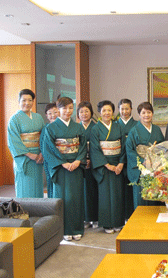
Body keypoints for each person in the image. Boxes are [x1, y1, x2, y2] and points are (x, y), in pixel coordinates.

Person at [43, 97, 87, 241]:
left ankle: (77, 228)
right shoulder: (50, 128)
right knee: (63, 198)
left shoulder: (78, 127)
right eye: (64, 108)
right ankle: (64, 230)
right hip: (61, 168)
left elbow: (82, 146)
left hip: (75, 166)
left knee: (76, 197)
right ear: (58, 109)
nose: (67, 111)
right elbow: (48, 148)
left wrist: (78, 160)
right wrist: (62, 162)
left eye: (70, 108)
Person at [90, 100, 125, 234]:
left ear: (113, 112)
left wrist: (121, 163)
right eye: (104, 110)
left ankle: (118, 222)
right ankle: (107, 224)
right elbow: (95, 149)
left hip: (118, 164)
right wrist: (107, 164)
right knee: (105, 195)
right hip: (104, 166)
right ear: (99, 113)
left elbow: (123, 145)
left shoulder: (118, 127)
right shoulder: (95, 129)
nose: (107, 113)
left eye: (109, 110)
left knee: (117, 194)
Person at [125, 101, 164, 209]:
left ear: (152, 113)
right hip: (140, 168)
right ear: (139, 114)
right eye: (143, 113)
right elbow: (130, 150)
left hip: (154, 166)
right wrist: (142, 162)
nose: (146, 115)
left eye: (149, 112)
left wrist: (156, 161)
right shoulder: (134, 130)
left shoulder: (156, 129)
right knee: (141, 197)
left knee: (155, 194)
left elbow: (162, 147)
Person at [7, 89, 45, 198]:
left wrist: (41, 153)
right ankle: (24, 211)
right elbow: (13, 141)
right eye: (24, 100)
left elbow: (43, 136)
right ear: (19, 101)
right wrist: (29, 154)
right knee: (25, 186)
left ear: (33, 101)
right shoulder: (14, 119)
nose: (27, 103)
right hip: (24, 158)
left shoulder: (38, 117)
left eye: (30, 100)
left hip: (38, 157)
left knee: (37, 185)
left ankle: (38, 211)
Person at [77, 101, 99, 229]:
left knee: (93, 190)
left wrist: (91, 159)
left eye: (86, 111)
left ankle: (94, 217)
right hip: (79, 163)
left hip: (93, 162)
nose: (84, 114)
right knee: (82, 191)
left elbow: (98, 147)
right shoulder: (76, 127)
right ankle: (85, 218)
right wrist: (82, 160)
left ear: (91, 112)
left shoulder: (95, 127)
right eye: (81, 112)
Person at [117, 98, 138, 220]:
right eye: (122, 109)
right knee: (119, 191)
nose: (124, 111)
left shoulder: (136, 125)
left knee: (131, 190)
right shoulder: (114, 125)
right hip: (117, 163)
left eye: (127, 109)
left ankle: (131, 216)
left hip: (132, 162)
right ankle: (120, 217)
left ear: (131, 109)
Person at [41, 102, 59, 198]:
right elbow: (43, 147)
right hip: (50, 161)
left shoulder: (63, 126)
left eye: (55, 112)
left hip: (63, 160)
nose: (53, 115)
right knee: (51, 181)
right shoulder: (46, 128)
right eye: (50, 113)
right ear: (46, 116)